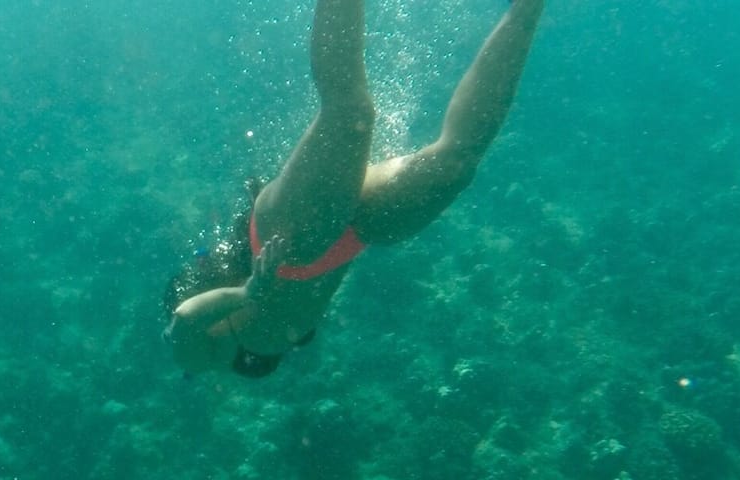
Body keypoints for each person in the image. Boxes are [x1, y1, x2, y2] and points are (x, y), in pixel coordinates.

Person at [163, 0, 546, 377]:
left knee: (350, 113)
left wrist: (246, 294)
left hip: (289, 243)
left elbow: (182, 320)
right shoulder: (233, 349)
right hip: (348, 240)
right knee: (456, 163)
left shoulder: (199, 353)